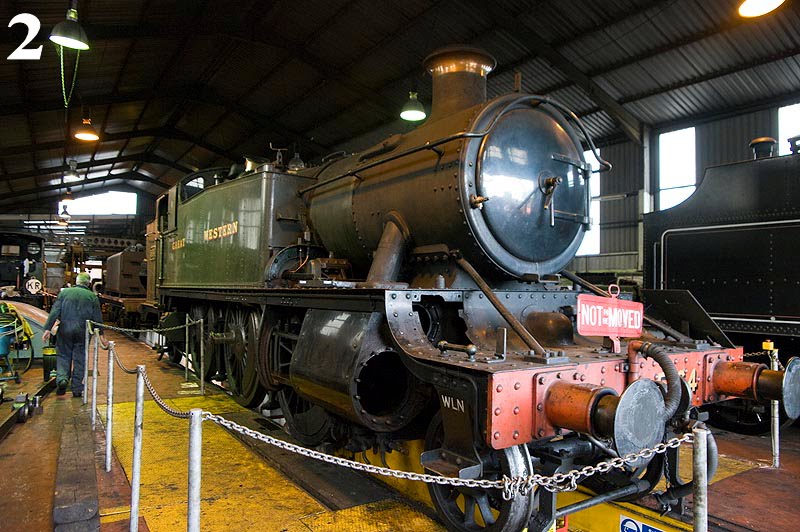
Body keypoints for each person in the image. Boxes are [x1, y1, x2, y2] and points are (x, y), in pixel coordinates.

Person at [42, 272, 107, 397]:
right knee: (80, 359)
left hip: (65, 329)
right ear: (88, 283)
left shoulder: (64, 293)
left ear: (76, 281)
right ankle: (77, 389)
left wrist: (47, 329)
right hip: (83, 332)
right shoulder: (92, 297)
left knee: (63, 355)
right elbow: (97, 318)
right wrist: (101, 335)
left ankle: (62, 379)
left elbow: (55, 311)